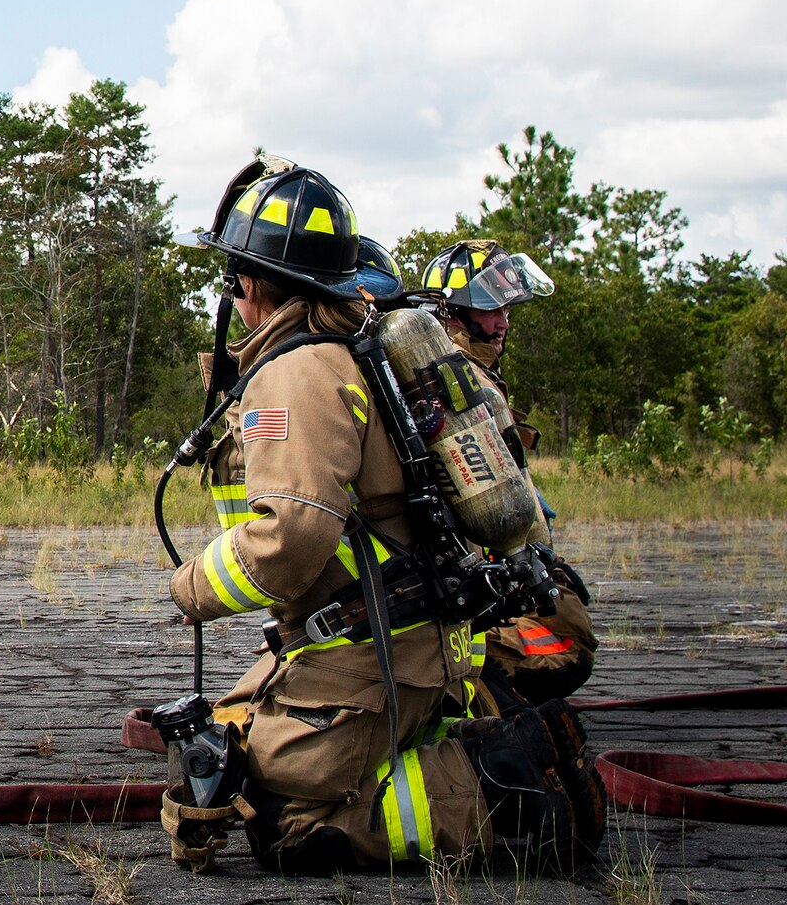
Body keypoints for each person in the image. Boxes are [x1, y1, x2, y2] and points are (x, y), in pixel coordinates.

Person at [164, 158, 603, 875]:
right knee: (234, 732)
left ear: (246, 279)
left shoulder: (296, 371)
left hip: (372, 659)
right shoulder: (360, 348)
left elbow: (292, 538)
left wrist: (191, 588)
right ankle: (470, 739)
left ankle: (508, 785)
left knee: (278, 814)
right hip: (416, 645)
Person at [423, 240, 599, 707]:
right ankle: (474, 697)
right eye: (489, 309)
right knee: (570, 643)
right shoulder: (469, 391)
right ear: (453, 313)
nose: (502, 322)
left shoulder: (449, 377)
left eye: (505, 308)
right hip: (466, 599)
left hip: (465, 585)